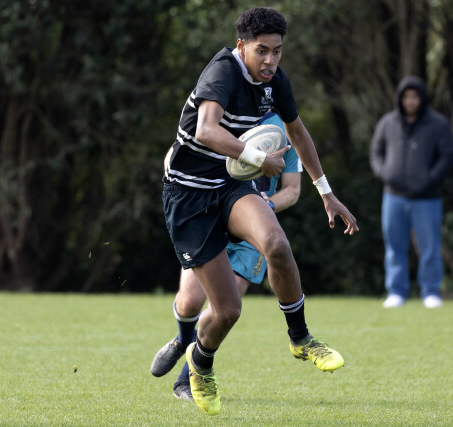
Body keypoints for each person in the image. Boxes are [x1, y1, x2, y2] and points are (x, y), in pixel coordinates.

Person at [161, 7, 358, 415]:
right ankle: (199, 363)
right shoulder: (222, 72)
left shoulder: (275, 82)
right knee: (227, 310)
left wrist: (326, 193)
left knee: (276, 244)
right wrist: (259, 159)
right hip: (189, 195)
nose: (270, 60)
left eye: (277, 51)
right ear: (242, 46)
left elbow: (298, 132)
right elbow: (206, 130)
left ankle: (300, 338)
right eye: (262, 51)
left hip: (230, 185)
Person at [152, 111, 302, 401]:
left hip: (250, 227)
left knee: (224, 308)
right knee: (189, 302)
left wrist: (268, 205)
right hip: (207, 214)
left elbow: (292, 191)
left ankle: (186, 380)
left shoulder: (283, 127)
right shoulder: (220, 111)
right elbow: (175, 155)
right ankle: (184, 337)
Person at [369, 76, 453, 309]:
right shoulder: (387, 123)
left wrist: (430, 179)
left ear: (422, 99)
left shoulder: (438, 124)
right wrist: (385, 173)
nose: (410, 101)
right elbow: (376, 153)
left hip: (427, 198)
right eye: (406, 97)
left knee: (430, 247)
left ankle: (431, 291)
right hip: (393, 196)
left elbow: (447, 156)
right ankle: (396, 291)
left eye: (415, 96)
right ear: (400, 99)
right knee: (394, 246)